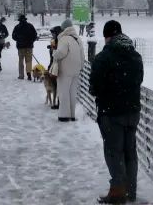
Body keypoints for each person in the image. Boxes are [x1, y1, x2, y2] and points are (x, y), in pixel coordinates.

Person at [89, 20, 144, 204]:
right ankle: (131, 191)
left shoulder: (103, 58)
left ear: (107, 37)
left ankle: (118, 192)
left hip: (111, 113)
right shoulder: (135, 55)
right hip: (133, 111)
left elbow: (94, 86)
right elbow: (139, 80)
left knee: (114, 152)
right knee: (130, 152)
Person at [52, 19, 84, 121]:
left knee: (63, 92)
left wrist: (54, 53)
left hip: (65, 70)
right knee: (72, 92)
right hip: (76, 69)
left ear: (64, 28)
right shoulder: (78, 38)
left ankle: (64, 115)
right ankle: (72, 115)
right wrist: (80, 67)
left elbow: (61, 52)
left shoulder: (64, 38)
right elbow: (82, 55)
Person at [12, 14, 39, 80]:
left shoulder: (17, 27)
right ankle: (29, 73)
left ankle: (21, 75)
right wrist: (31, 41)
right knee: (28, 61)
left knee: (21, 61)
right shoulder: (30, 26)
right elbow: (35, 35)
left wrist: (19, 40)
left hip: (20, 47)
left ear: (19, 20)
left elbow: (13, 36)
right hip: (29, 47)